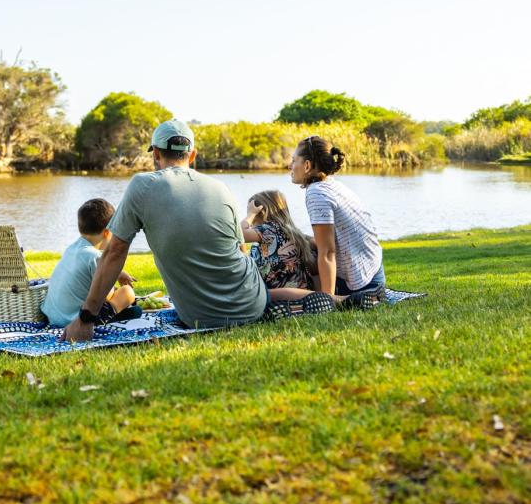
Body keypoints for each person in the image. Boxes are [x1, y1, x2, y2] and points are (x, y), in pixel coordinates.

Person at [61, 119, 271, 340]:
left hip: (201, 317)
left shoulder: (142, 186)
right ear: (192, 155)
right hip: (252, 307)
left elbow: (114, 252)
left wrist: (85, 319)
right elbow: (241, 251)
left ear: (156, 154)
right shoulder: (221, 188)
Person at [289, 136, 386, 298]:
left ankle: (331, 296)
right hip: (374, 277)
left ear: (306, 165)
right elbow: (331, 242)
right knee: (299, 241)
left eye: (293, 161)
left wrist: (329, 299)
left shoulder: (316, 193)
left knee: (290, 255)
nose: (289, 166)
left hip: (361, 286)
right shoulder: (332, 185)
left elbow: (327, 252)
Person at [41, 198, 139, 327]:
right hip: (77, 321)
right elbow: (105, 296)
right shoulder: (96, 257)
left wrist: (118, 273)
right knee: (128, 294)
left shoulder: (71, 249)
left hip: (53, 318)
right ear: (108, 232)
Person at [241, 190, 319, 291]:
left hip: (276, 291)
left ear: (261, 212)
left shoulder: (268, 230)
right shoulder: (291, 232)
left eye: (250, 211)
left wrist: (250, 215)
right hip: (301, 289)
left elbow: (239, 233)